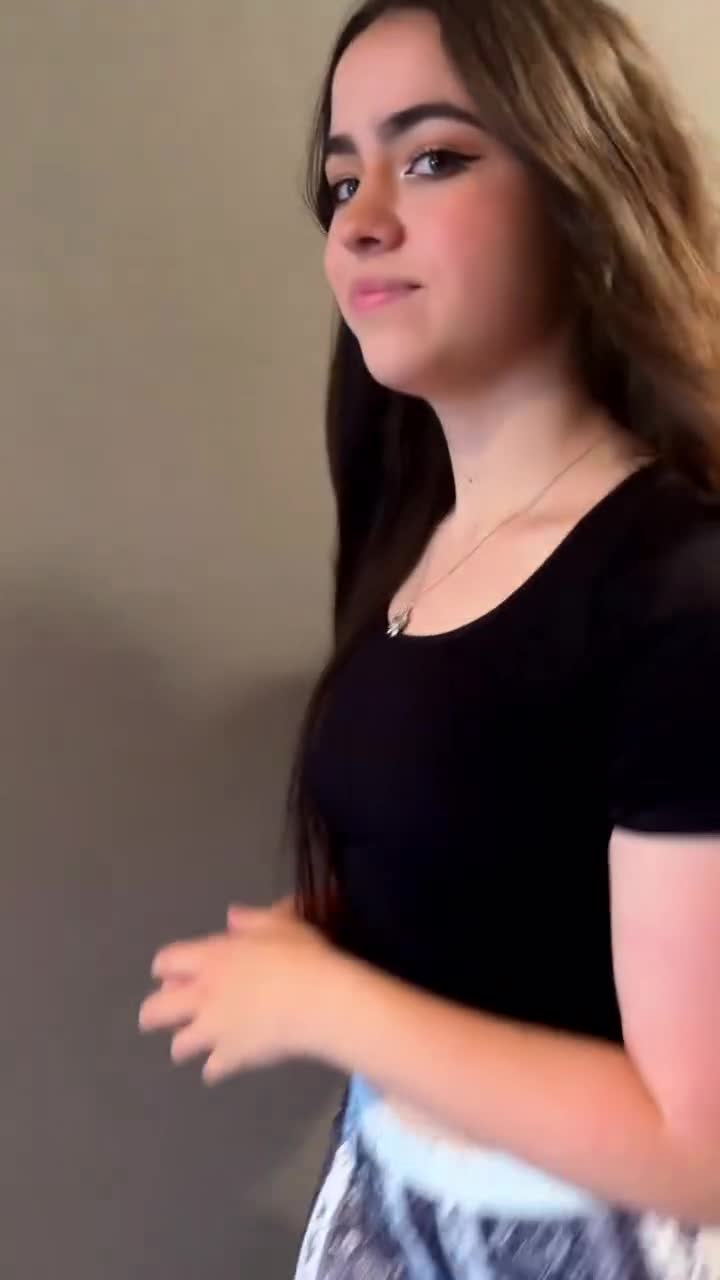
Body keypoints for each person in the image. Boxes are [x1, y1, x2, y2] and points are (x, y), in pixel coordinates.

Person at [139, 0, 720, 1275]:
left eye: (435, 157)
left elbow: (700, 1145)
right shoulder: (421, 537)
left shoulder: (678, 589)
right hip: (391, 1197)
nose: (361, 218)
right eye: (343, 179)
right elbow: (518, 857)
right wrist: (356, 926)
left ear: (585, 190)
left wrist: (330, 1001)